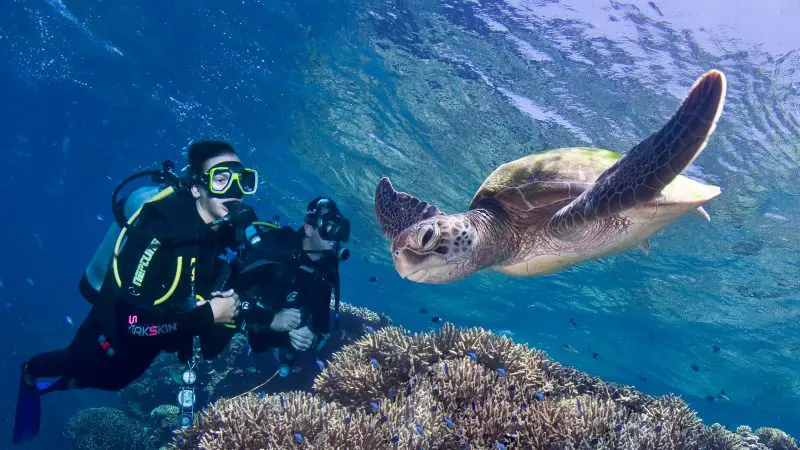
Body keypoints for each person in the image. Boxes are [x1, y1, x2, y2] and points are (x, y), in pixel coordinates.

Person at [12, 140, 261, 443]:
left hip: (150, 344)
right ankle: (31, 374)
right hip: (108, 334)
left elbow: (208, 334)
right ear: (197, 187)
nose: (233, 190)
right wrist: (205, 317)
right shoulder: (161, 230)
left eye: (241, 180)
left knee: (116, 381)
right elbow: (131, 325)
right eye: (221, 179)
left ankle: (51, 386)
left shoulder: (220, 235)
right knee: (79, 363)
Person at [234, 197, 350, 366]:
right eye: (328, 226)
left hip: (269, 337)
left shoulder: (326, 272)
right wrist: (271, 319)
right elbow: (230, 292)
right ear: (309, 229)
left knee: (262, 345)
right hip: (240, 323)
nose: (334, 236)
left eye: (337, 228)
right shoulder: (277, 250)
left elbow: (321, 326)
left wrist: (312, 340)